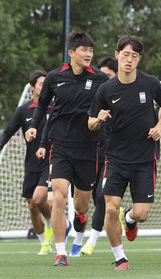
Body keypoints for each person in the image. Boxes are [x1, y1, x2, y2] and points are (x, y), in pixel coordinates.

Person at [88, 35, 161, 270]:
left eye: (134, 56)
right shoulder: (105, 89)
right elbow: (90, 123)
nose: (129, 59)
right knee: (110, 207)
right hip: (115, 158)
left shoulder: (150, 83)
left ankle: (130, 218)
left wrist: (158, 126)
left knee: (142, 213)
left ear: (139, 59)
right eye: (125, 54)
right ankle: (120, 257)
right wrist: (99, 119)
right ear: (117, 55)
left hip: (145, 158)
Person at [25, 31, 109, 266]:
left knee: (81, 205)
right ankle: (60, 253)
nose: (89, 54)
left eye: (91, 50)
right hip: (60, 147)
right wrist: (33, 127)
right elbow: (42, 106)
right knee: (59, 198)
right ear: (71, 52)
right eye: (84, 50)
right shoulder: (54, 77)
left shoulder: (101, 79)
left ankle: (80, 221)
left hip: (89, 149)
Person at [0, 70, 54, 255]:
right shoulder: (24, 110)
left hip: (52, 161)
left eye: (47, 84)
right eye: (41, 84)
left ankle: (53, 222)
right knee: (32, 205)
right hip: (31, 164)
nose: (44, 87)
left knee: (40, 199)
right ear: (32, 88)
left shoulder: (55, 107)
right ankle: (44, 243)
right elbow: (8, 132)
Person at [81, 57, 121, 256]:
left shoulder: (123, 97)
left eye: (110, 76)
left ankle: (92, 241)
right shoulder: (96, 98)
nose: (105, 81)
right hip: (90, 153)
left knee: (101, 196)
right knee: (90, 200)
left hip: (114, 155)